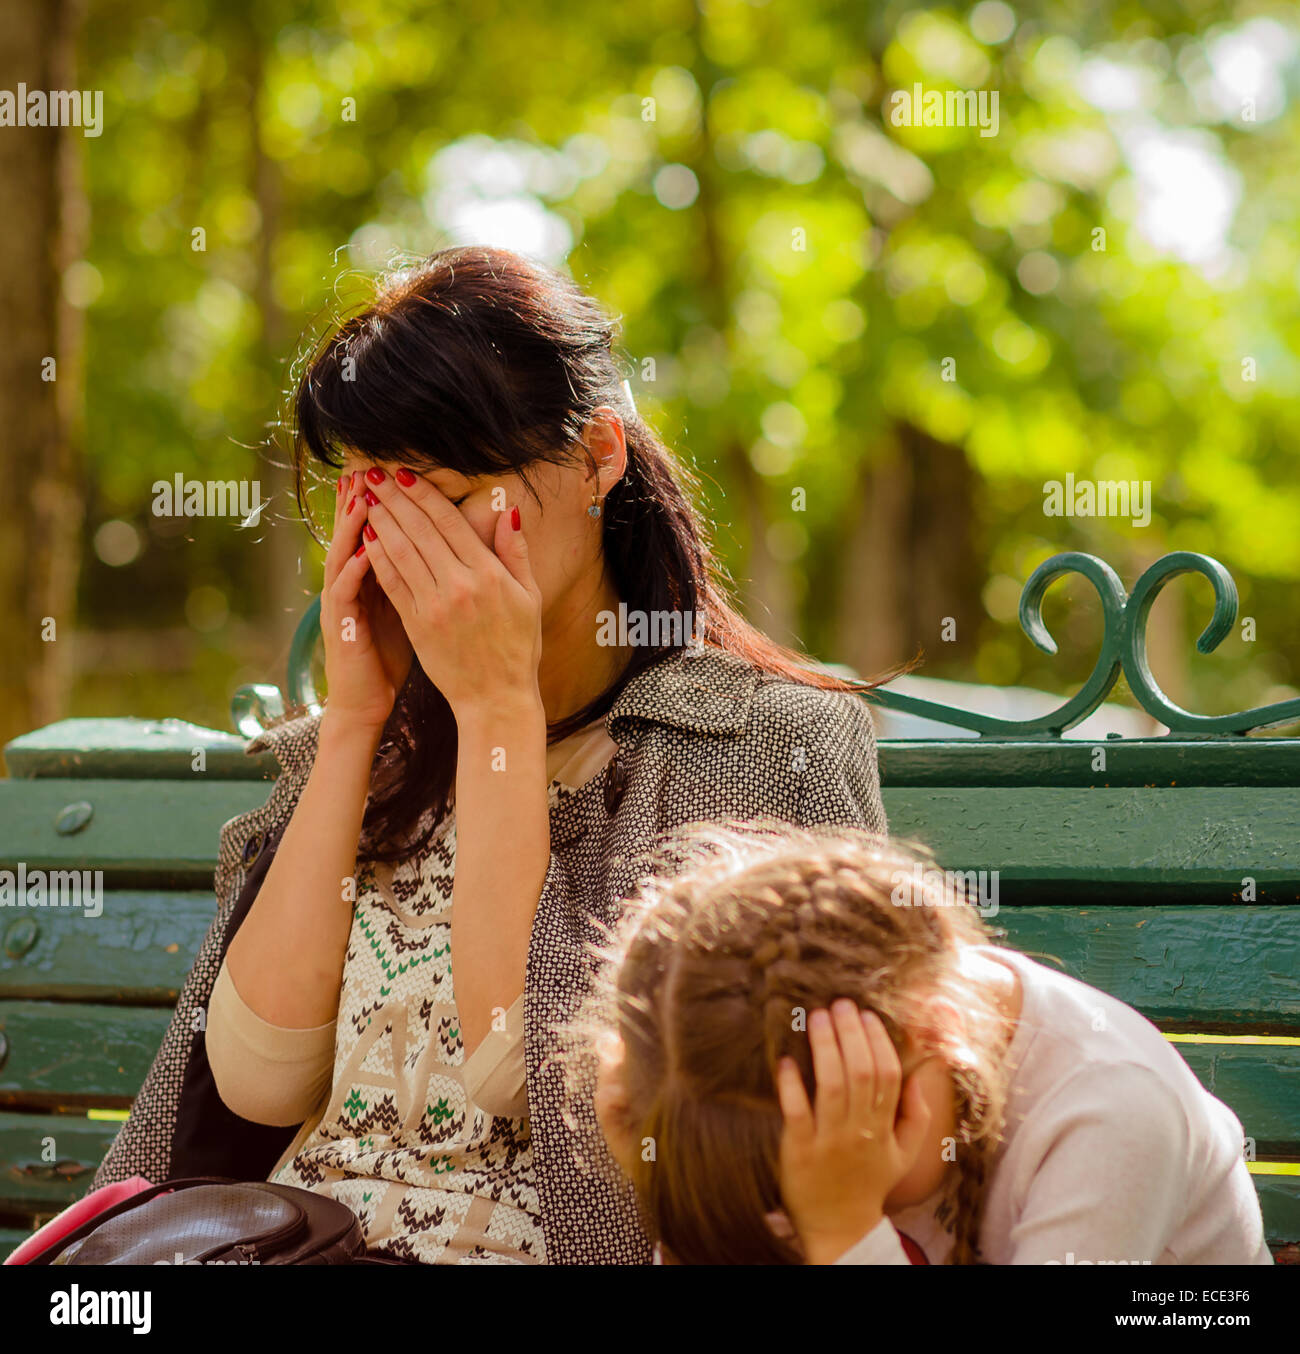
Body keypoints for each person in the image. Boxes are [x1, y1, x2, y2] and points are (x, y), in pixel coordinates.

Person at [92, 245, 889, 1266]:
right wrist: (353, 726)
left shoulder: (764, 747)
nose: (409, 545)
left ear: (600, 456)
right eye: (379, 498)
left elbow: (525, 1067)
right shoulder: (374, 757)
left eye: (453, 492)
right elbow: (253, 1082)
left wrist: (498, 708)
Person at [587, 823, 1272, 1265]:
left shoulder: (1111, 1114)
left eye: (856, 1156)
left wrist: (848, 1231)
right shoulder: (782, 1095)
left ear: (937, 1039)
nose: (816, 1196)